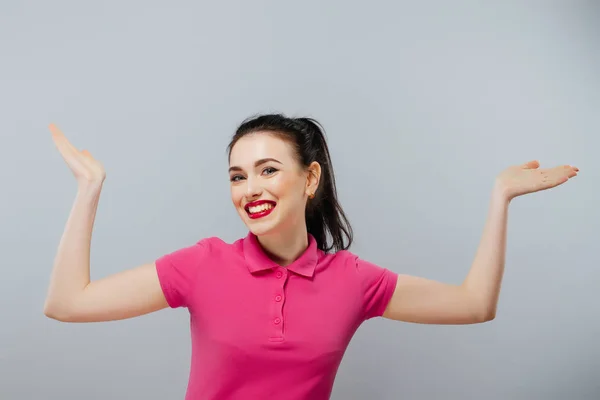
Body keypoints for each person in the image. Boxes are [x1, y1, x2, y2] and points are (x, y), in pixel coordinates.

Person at [44, 114, 579, 400]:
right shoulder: (203, 264)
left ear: (311, 178)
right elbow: (68, 303)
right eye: (238, 175)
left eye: (268, 169)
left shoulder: (353, 280)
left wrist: (500, 197)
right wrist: (89, 188)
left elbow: (475, 304)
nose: (249, 187)